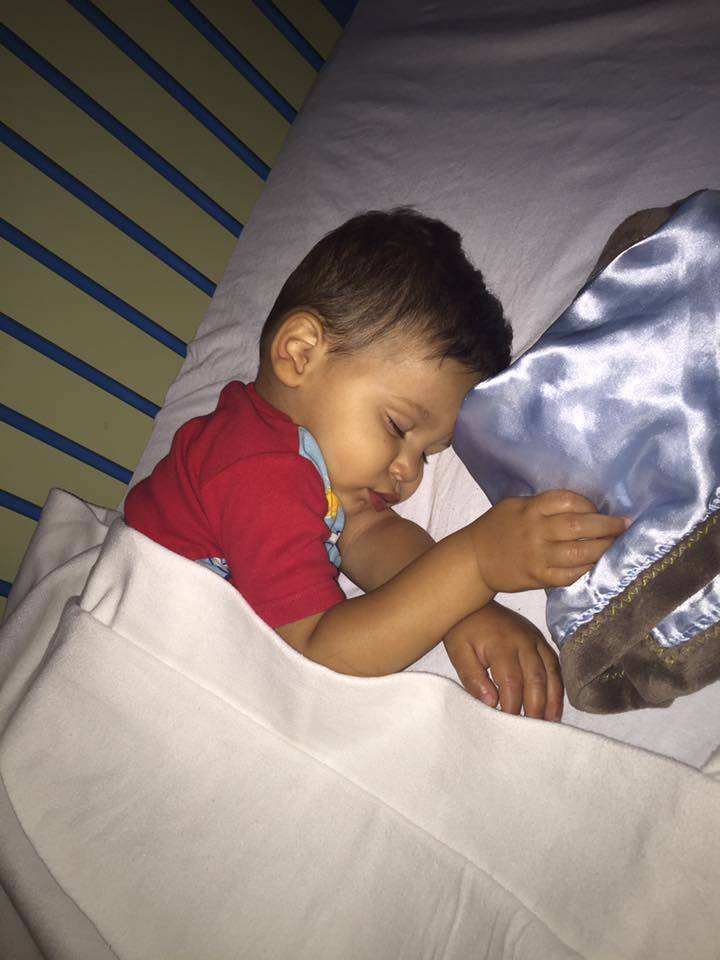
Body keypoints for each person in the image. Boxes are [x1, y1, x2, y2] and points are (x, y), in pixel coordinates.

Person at [125, 209, 626, 722]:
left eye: (428, 454)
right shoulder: (257, 465)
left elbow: (371, 537)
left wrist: (468, 609)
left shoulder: (311, 472)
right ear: (300, 354)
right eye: (397, 426)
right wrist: (476, 564)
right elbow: (318, 657)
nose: (409, 471)